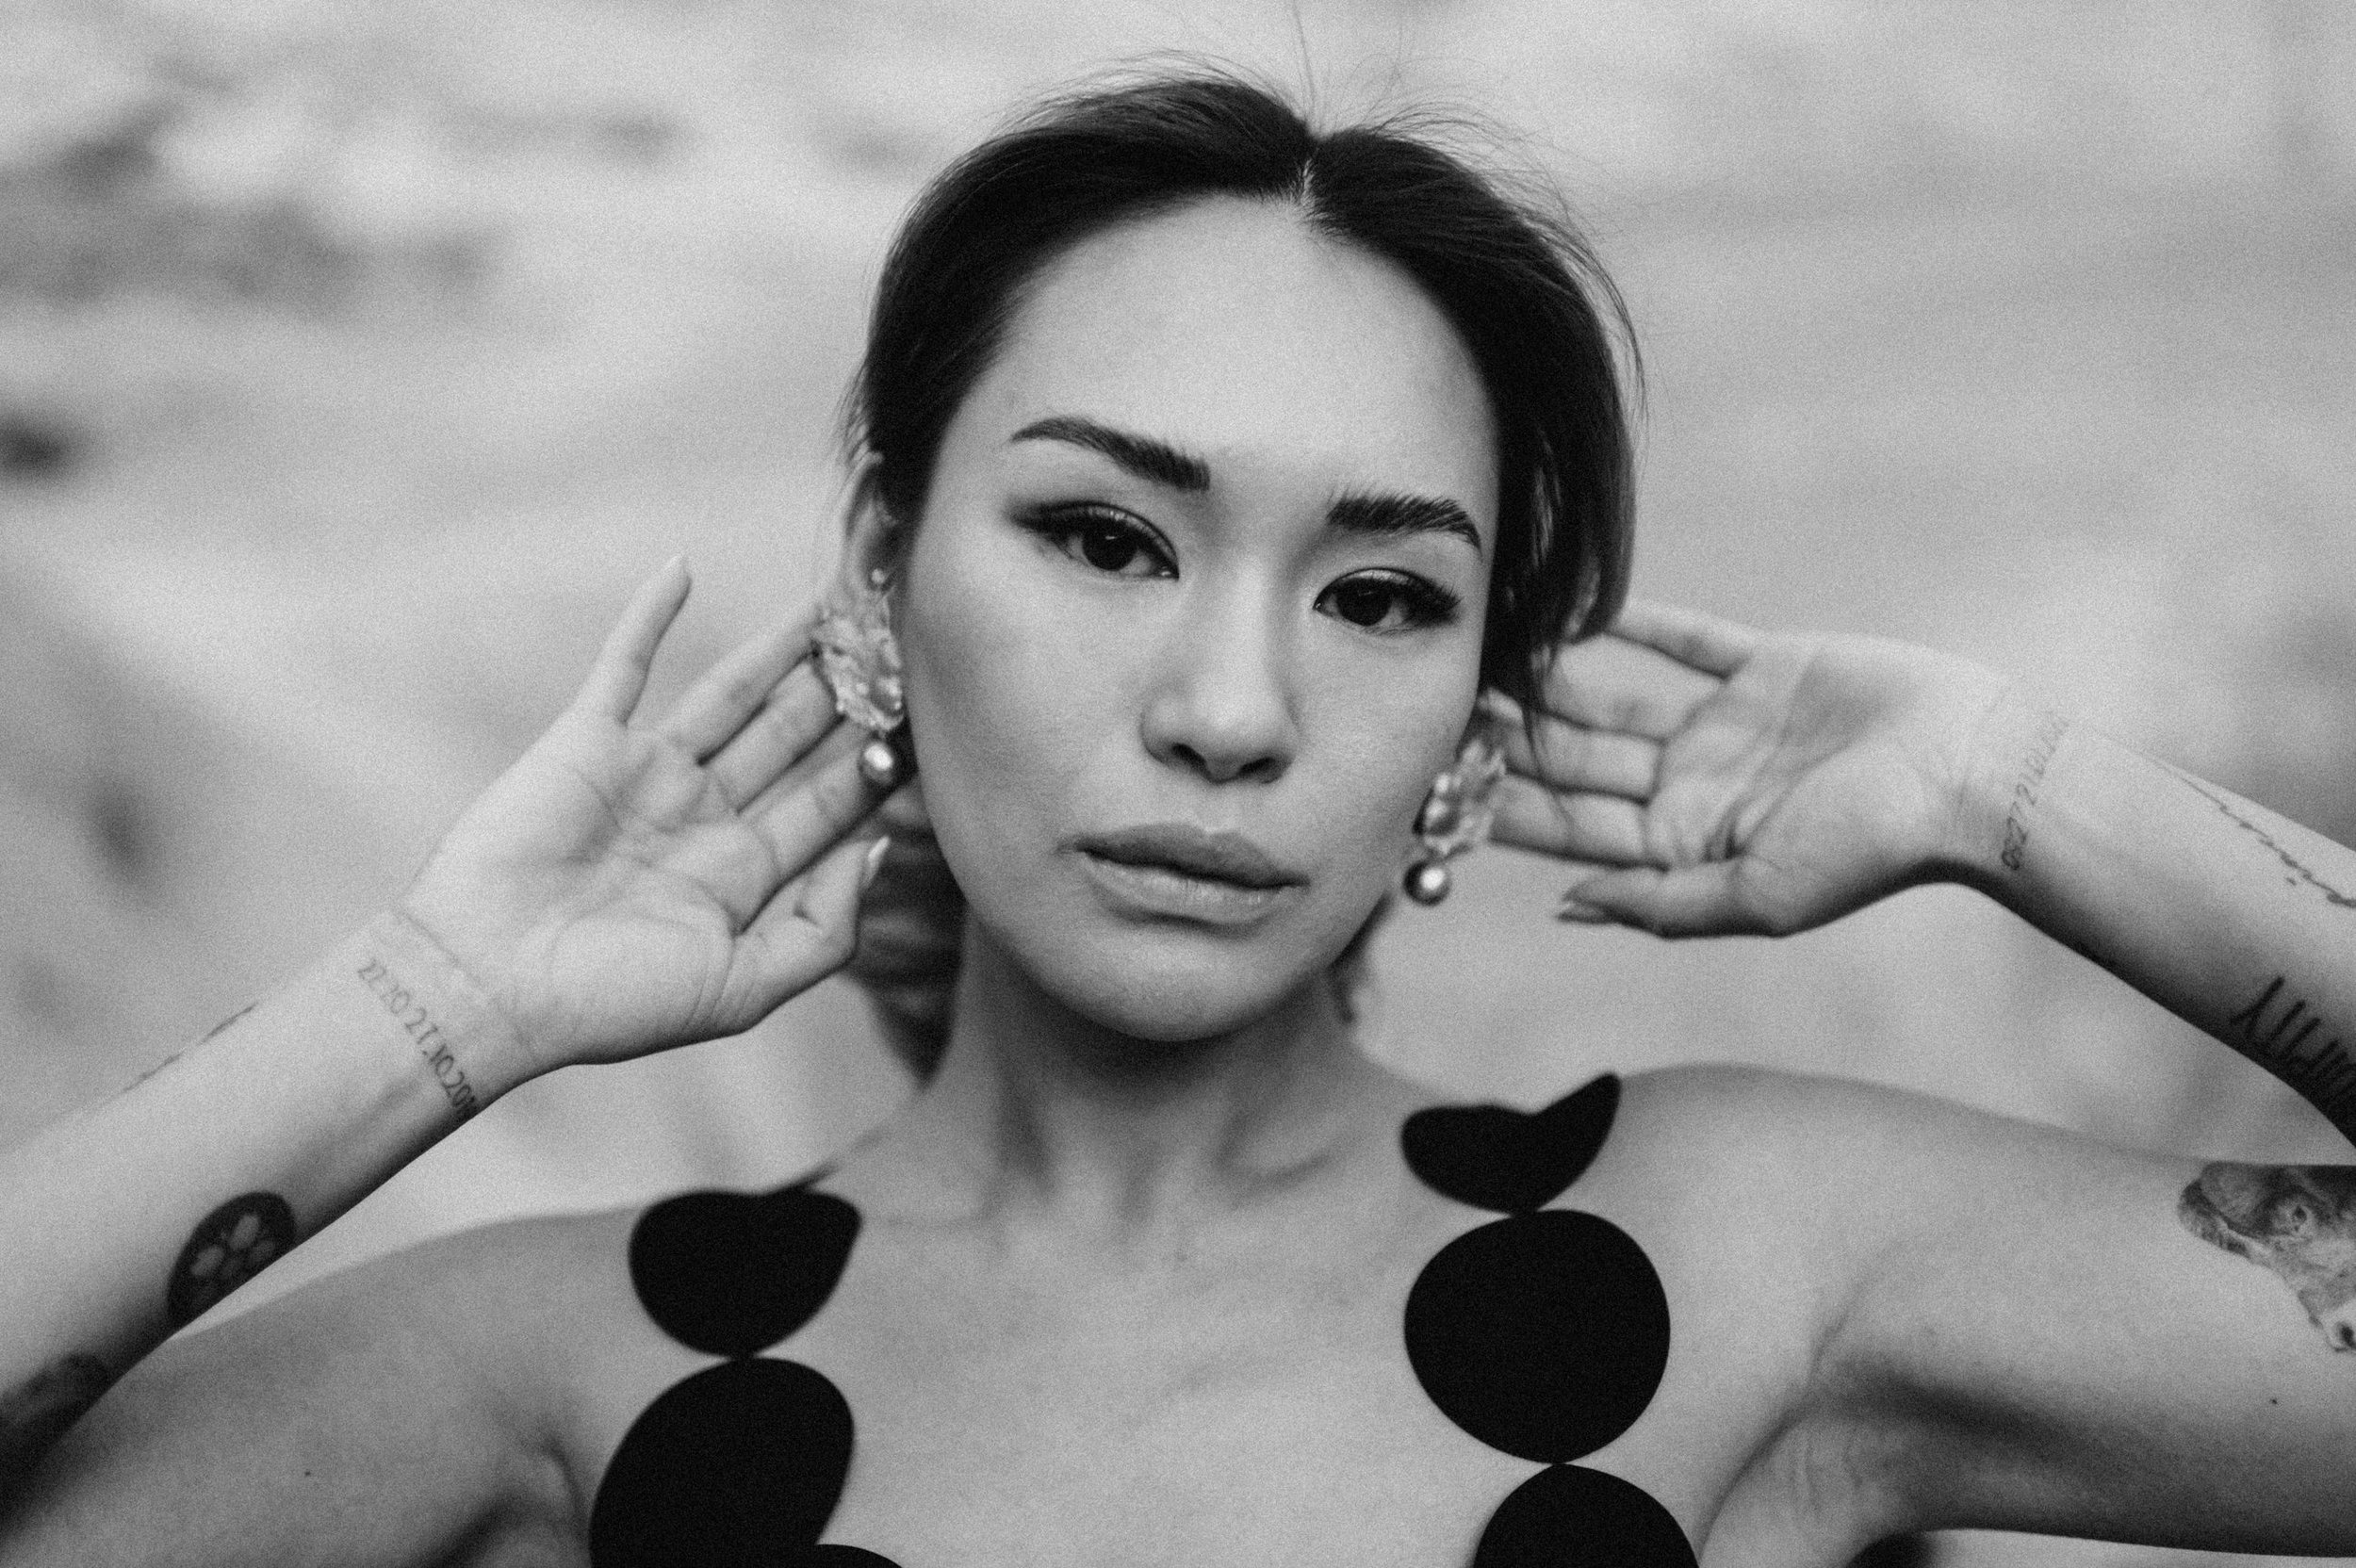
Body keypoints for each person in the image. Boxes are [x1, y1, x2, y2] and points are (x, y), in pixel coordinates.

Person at [3, 68, 2354, 1566]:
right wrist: (438, 1000)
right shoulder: (560, 1372)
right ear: (880, 577)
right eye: (1106, 538)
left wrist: (2007, 788)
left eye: (1378, 589)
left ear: (1471, 707)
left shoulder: (1753, 1254)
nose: (1230, 707)